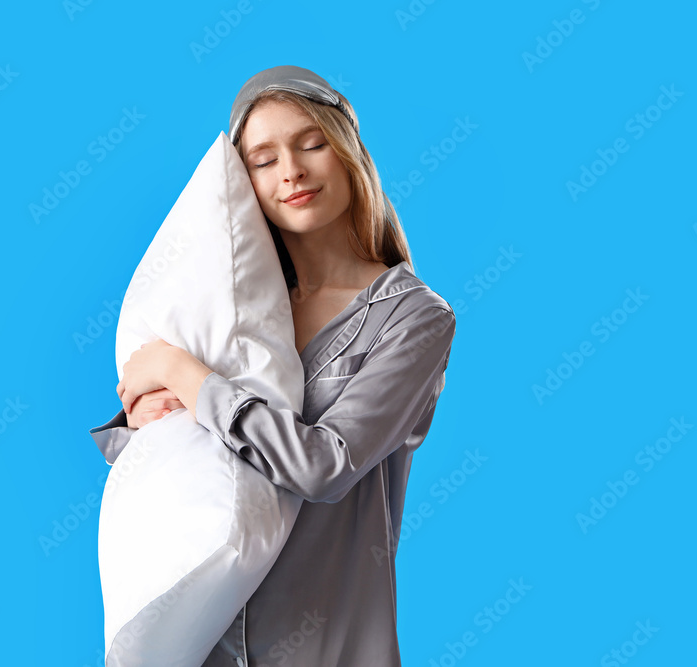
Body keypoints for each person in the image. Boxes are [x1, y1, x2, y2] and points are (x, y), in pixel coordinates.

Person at [89, 65, 457, 666]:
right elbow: (164, 461)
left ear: (349, 155)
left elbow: (324, 465)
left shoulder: (413, 318)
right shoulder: (235, 311)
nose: (291, 171)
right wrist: (142, 418)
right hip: (203, 647)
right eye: (263, 160)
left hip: (324, 648)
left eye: (312, 144)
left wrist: (185, 376)